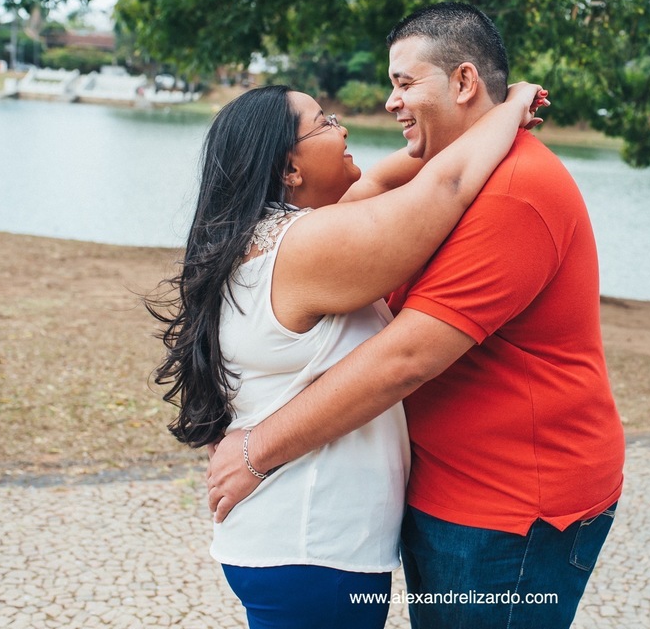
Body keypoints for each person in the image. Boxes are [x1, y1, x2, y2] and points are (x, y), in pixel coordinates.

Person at [207, 3, 626, 629]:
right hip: (438, 499)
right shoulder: (367, 214)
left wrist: (256, 452)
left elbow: (405, 358)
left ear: (462, 83)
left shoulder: (513, 191)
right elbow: (404, 187)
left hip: (509, 508)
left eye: (405, 83)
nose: (387, 103)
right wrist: (501, 113)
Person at [149, 79, 546, 628]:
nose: (343, 127)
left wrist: (461, 131)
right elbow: (448, 185)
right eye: (325, 123)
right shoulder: (304, 248)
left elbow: (388, 177)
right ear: (290, 168)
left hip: (290, 541)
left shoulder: (268, 234)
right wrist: (511, 105)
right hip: (313, 546)